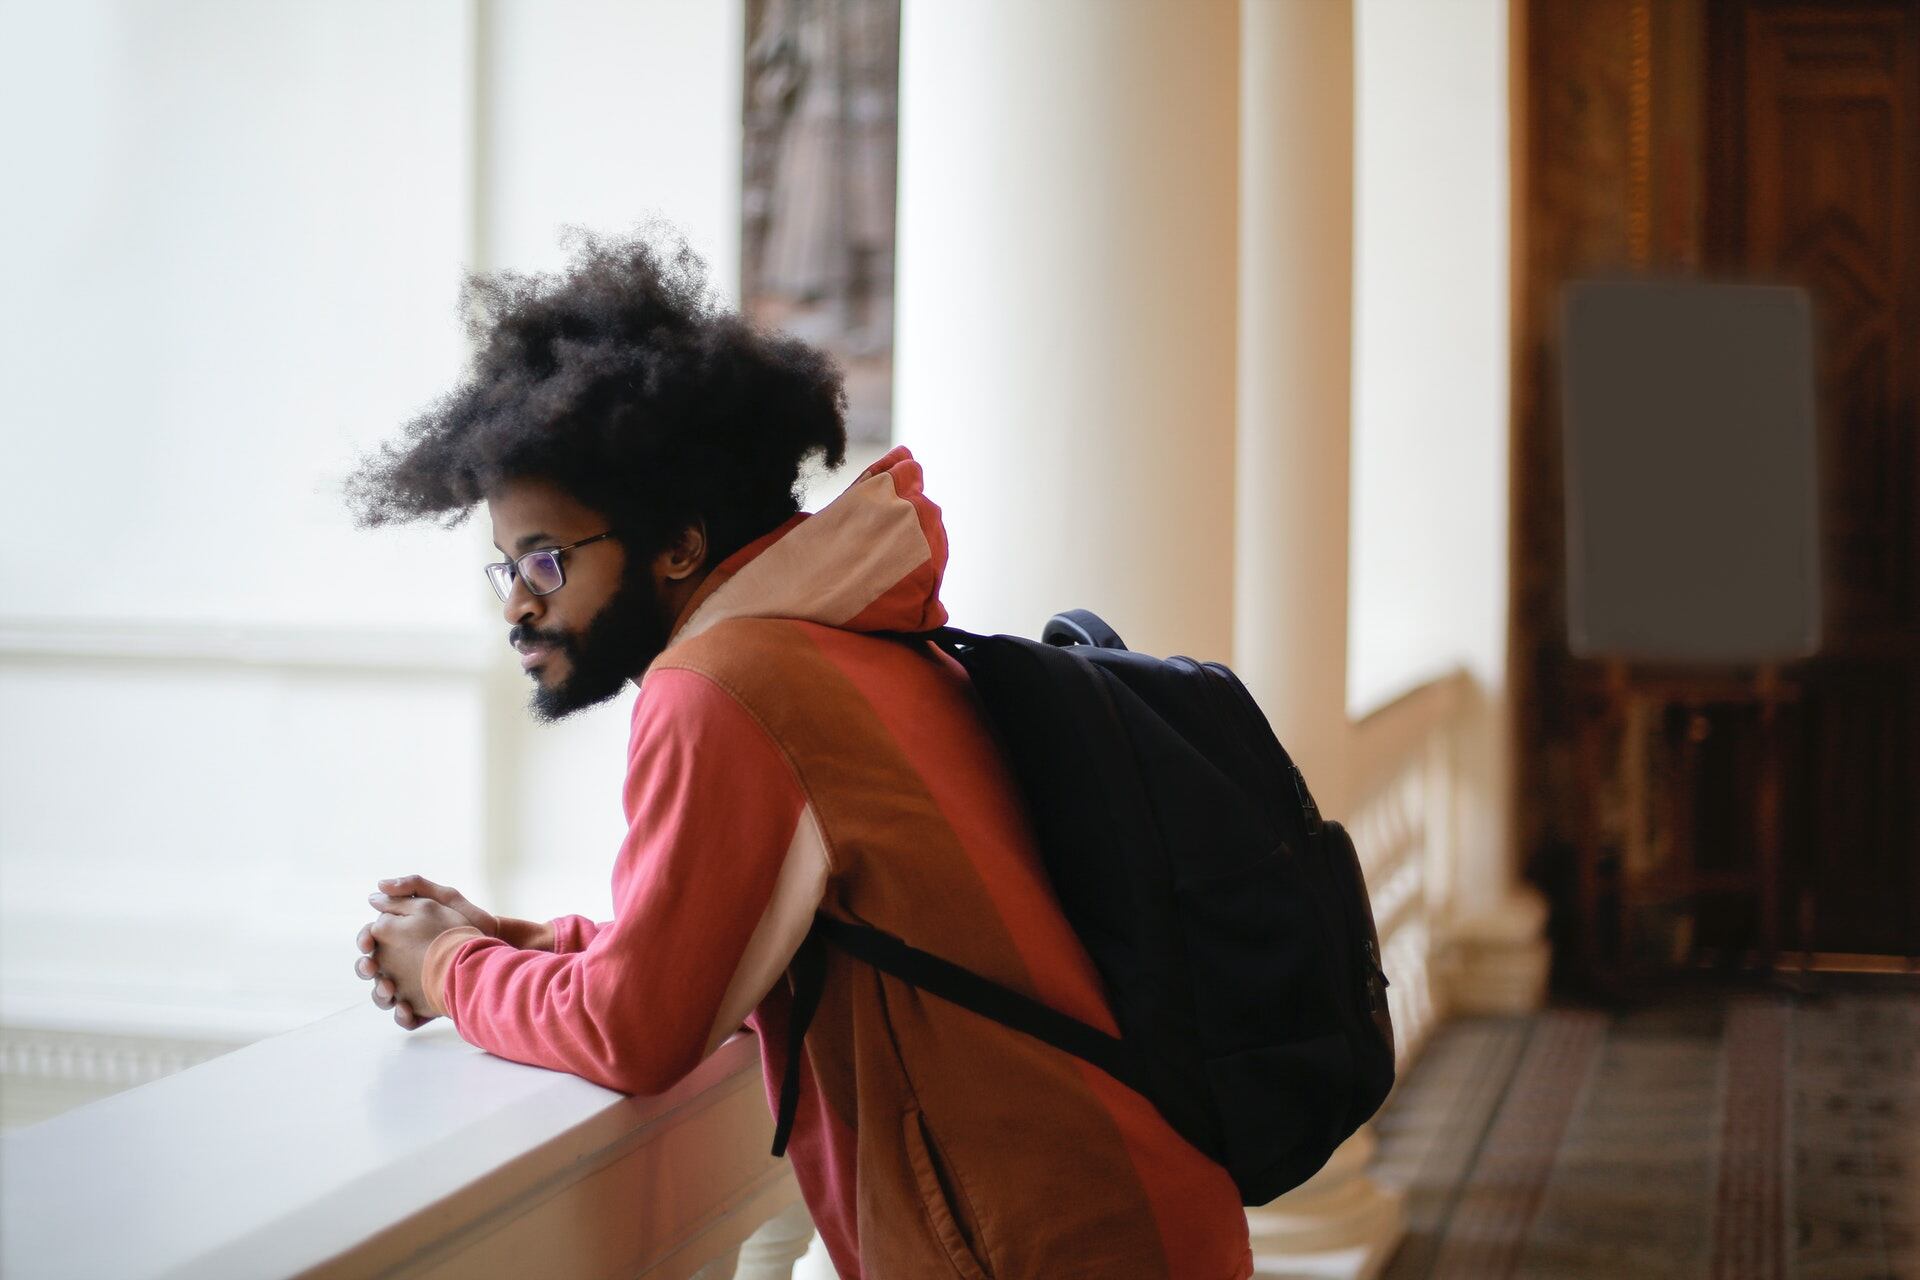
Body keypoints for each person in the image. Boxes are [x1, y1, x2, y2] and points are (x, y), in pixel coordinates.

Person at [344, 229, 1253, 1280]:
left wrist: (450, 966)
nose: (518, 600)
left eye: (545, 558)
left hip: (1046, 1249)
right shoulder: (843, 634)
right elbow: (757, 938)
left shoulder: (725, 685)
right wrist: (539, 942)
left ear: (678, 544)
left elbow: (636, 1028)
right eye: (502, 565)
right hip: (1126, 1210)